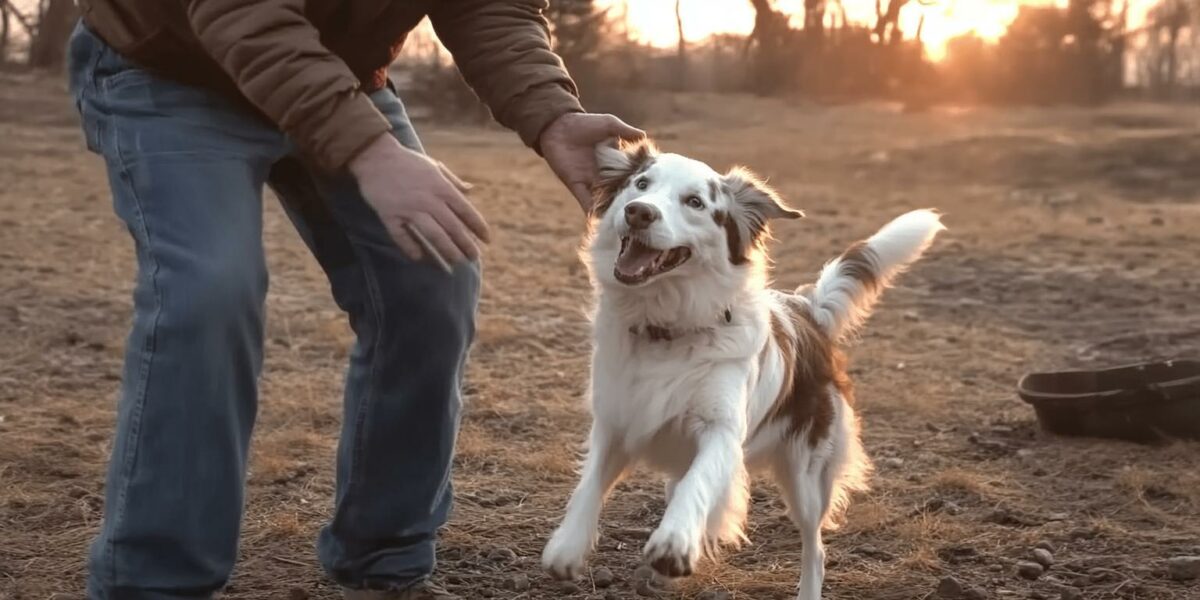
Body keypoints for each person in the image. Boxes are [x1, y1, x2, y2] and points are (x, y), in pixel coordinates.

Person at [66, 2, 643, 599]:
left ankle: (384, 561)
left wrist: (550, 112)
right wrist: (371, 151)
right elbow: (245, 13)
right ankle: (157, 584)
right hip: (171, 67)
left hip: (337, 75)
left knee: (432, 277)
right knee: (209, 293)